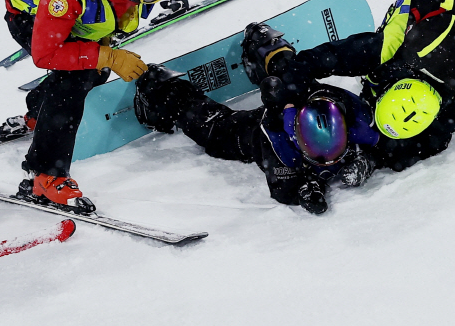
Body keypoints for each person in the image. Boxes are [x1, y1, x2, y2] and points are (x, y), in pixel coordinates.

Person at [261, 0, 455, 172]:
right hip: (418, 21)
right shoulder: (384, 49)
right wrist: (288, 89)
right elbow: (323, 59)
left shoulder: (452, 99)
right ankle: (272, 51)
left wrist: (373, 159)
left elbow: (429, 143)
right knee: (359, 58)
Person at [4, 0, 173, 212]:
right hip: (34, 18)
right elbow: (47, 54)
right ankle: (45, 175)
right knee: (75, 78)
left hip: (75, 15)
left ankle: (39, 113)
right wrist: (108, 55)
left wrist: (104, 52)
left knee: (94, 70)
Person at [134, 26, 380, 215]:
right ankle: (172, 97)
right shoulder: (278, 141)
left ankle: (273, 57)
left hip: (308, 100)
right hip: (270, 124)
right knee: (217, 130)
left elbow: (380, 143)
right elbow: (284, 188)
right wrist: (307, 186)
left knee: (295, 75)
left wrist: (365, 158)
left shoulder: (358, 120)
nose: (327, 163)